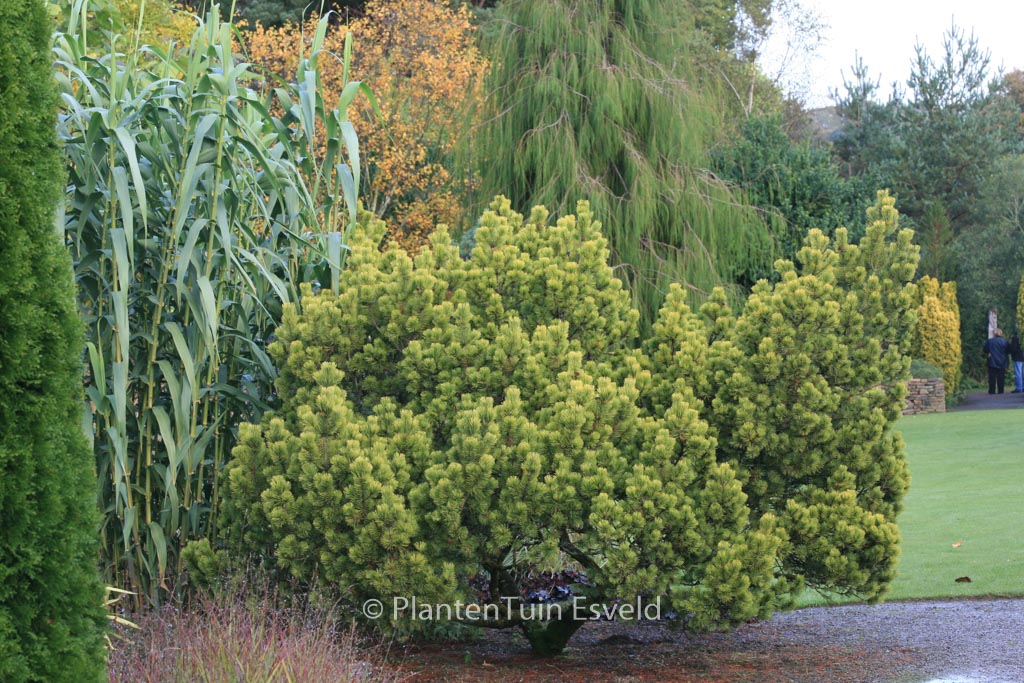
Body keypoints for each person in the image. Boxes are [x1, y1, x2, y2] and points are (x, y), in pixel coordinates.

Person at [982, 328, 1011, 394]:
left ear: (994, 334)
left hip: (992, 361)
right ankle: (1001, 391)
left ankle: (992, 391)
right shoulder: (1005, 341)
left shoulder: (990, 341)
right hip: (1002, 361)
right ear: (1001, 333)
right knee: (1001, 377)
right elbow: (1009, 351)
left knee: (992, 377)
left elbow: (985, 350)